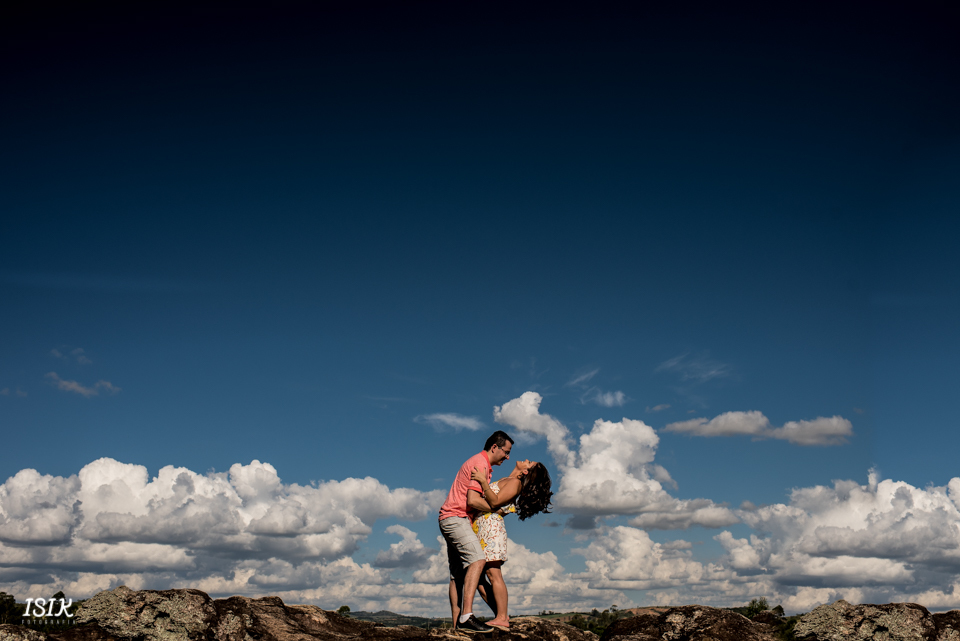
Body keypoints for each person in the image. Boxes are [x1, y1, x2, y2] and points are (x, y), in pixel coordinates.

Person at [438, 430, 514, 634]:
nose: (507, 457)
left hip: (450, 517)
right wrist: (496, 509)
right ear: (494, 447)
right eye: (506, 452)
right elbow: (472, 500)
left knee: (457, 575)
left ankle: (456, 625)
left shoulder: (483, 465)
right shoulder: (480, 463)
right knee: (478, 560)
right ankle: (466, 617)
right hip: (456, 518)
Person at [468, 459, 553, 630]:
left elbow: (495, 502)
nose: (525, 460)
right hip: (482, 526)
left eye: (529, 462)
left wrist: (483, 482)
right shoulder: (508, 480)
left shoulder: (515, 483)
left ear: (527, 471)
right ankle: (501, 614)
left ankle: (501, 617)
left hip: (491, 529)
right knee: (478, 579)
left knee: (493, 573)